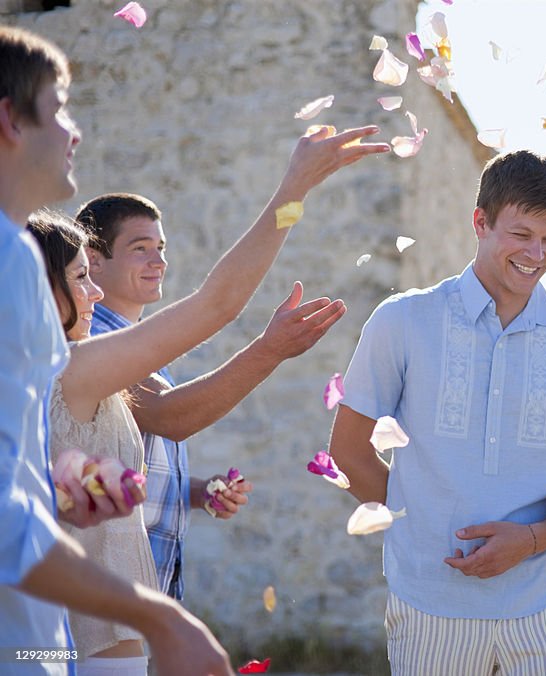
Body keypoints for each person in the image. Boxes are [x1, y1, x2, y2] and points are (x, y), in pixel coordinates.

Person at [27, 117, 387, 672]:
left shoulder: (59, 365)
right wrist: (292, 192)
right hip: (92, 643)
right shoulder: (74, 363)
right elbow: (216, 306)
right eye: (80, 278)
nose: (94, 294)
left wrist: (194, 492)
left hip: (96, 634)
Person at [328, 150, 546, 675]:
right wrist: (416, 524)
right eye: (521, 234)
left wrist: (534, 540)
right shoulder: (402, 321)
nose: (536, 253)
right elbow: (347, 451)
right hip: (429, 604)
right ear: (480, 222)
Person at [0, 24, 229, 675]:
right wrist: (159, 617)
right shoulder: (11, 262)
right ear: (10, 121)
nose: (75, 132)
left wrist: (61, 495)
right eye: (60, 108)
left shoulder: (14, 259)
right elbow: (4, 516)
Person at [77, 192, 345, 601]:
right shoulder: (93, 340)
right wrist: (269, 350)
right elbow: (171, 417)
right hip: (106, 602)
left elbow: (126, 468)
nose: (159, 261)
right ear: (94, 259)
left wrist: (199, 492)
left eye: (161, 247)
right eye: (140, 248)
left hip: (146, 594)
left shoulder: (139, 350)